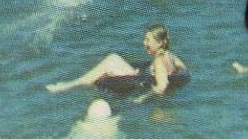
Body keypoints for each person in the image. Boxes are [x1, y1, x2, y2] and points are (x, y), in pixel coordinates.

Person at [47, 24, 189, 101]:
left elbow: (162, 86)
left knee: (111, 59)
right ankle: (79, 83)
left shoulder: (158, 60)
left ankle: (69, 85)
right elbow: (183, 69)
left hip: (139, 80)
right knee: (112, 62)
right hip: (141, 76)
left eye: (148, 40)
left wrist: (142, 97)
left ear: (160, 43)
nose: (144, 43)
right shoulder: (171, 56)